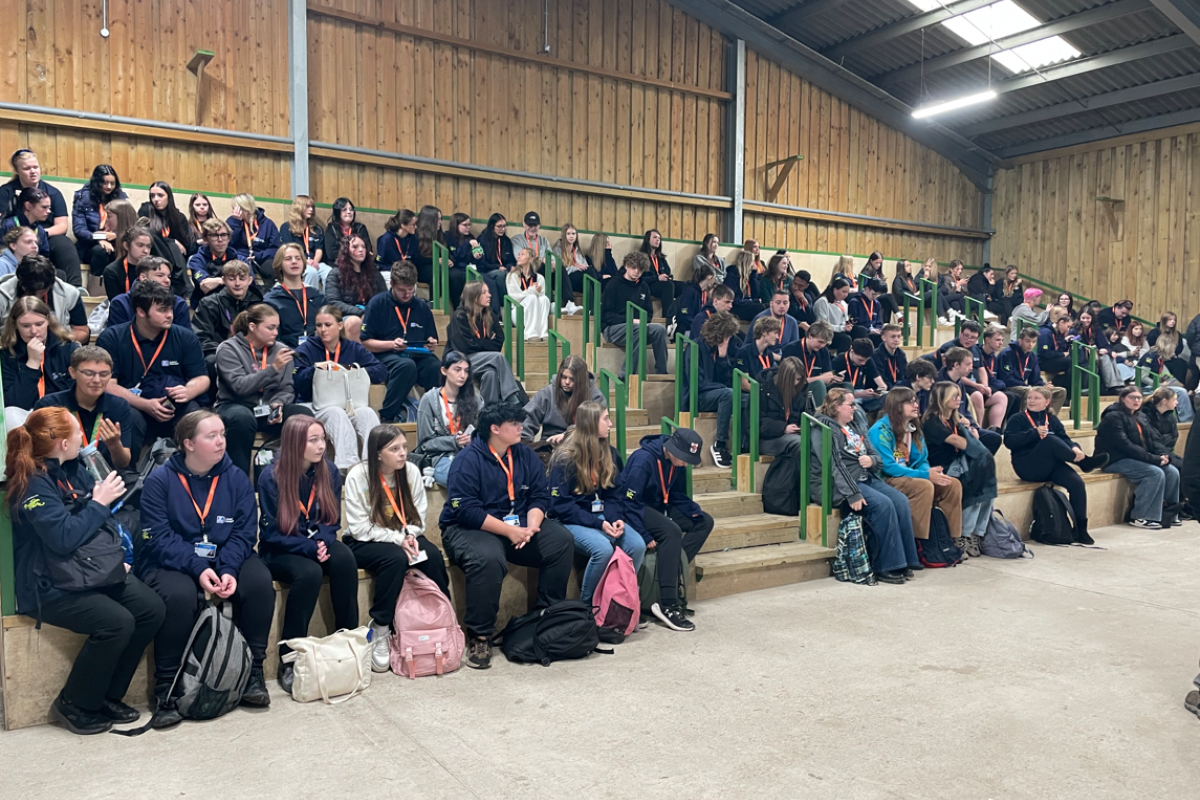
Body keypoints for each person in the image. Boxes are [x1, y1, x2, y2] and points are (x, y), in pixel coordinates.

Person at [5, 408, 162, 735]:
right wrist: (98, 503)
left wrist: (116, 555)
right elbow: (63, 538)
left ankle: (107, 695)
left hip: (87, 570)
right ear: (63, 443)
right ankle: (73, 702)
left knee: (150, 609)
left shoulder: (74, 469)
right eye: (77, 432)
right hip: (47, 585)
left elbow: (98, 524)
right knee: (117, 622)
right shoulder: (33, 484)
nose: (83, 437)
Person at [136, 410, 274, 724]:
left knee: (258, 582)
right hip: (171, 558)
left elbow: (244, 533)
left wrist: (228, 568)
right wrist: (198, 567)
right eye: (211, 436)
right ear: (188, 443)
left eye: (222, 434)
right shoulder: (160, 480)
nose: (221, 441)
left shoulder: (236, 478)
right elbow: (158, 538)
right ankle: (167, 688)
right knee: (179, 594)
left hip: (225, 555)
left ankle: (253, 673)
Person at [439, 403, 575, 668]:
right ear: (495, 429)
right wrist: (510, 530)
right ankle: (480, 635)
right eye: (514, 424)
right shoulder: (467, 460)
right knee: (488, 558)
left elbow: (540, 495)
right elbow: (466, 511)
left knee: (560, 541)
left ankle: (543, 618)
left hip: (518, 523)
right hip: (469, 527)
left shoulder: (524, 454)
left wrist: (532, 527)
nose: (520, 428)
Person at [257, 415, 357, 694]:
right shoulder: (271, 477)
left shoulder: (329, 470)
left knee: (345, 558)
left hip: (316, 541)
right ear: (294, 443)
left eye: (322, 439)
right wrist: (309, 547)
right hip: (281, 548)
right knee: (309, 573)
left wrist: (323, 540)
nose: (321, 446)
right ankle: (289, 657)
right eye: (313, 440)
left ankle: (347, 641)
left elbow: (332, 520)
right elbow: (271, 533)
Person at [344, 424, 451, 672]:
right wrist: (396, 539)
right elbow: (359, 527)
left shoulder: (410, 471)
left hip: (405, 533)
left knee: (432, 556)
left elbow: (419, 518)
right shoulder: (358, 475)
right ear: (378, 453)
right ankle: (381, 627)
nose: (403, 453)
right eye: (394, 449)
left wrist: (410, 535)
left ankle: (442, 621)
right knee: (395, 559)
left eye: (404, 447)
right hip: (365, 540)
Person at [813, 388, 918, 583]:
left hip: (864, 477)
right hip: (839, 484)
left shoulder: (855, 426)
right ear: (836, 406)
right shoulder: (822, 429)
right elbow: (834, 465)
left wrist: (871, 460)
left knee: (900, 500)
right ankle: (884, 565)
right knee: (883, 505)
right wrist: (852, 493)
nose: (855, 408)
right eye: (851, 405)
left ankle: (905, 560)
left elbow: (876, 456)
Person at [548, 402, 647, 605]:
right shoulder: (564, 458)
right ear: (591, 423)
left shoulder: (609, 453)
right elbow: (561, 506)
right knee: (603, 550)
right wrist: (599, 524)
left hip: (600, 515)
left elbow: (614, 494)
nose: (610, 424)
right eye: (605, 419)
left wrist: (616, 518)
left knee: (637, 545)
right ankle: (588, 607)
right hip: (569, 519)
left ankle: (617, 603)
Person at [96, 281, 209, 456]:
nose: (170, 315)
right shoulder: (112, 338)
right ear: (141, 312)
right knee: (126, 414)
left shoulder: (185, 337)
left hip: (173, 405)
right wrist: (145, 404)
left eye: (170, 309)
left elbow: (202, 378)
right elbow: (107, 385)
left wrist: (188, 391)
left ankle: (194, 468)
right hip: (133, 405)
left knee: (194, 415)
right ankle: (125, 469)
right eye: (163, 310)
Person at [620, 427, 714, 630]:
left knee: (705, 521)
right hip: (636, 507)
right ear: (672, 449)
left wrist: (693, 511)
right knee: (671, 531)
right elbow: (628, 502)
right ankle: (668, 604)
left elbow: (675, 495)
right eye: (684, 458)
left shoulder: (676, 463)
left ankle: (672, 569)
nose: (686, 463)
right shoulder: (643, 460)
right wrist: (643, 534)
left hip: (660, 503)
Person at [1004, 386, 1106, 544]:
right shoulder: (1018, 418)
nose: (1031, 401)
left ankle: (1081, 530)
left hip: (1051, 464)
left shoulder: (1051, 419)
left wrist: (1075, 448)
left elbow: (1064, 438)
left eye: (1036, 398)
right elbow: (1009, 441)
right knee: (1049, 440)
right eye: (1030, 398)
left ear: (1047, 402)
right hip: (1027, 465)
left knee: (1077, 483)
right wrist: (1033, 433)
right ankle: (1084, 462)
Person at [214, 304, 307, 476]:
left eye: (277, 328)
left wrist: (279, 403)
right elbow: (239, 386)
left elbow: (287, 388)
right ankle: (239, 480)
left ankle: (296, 476)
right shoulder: (229, 349)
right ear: (252, 327)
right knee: (242, 419)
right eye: (270, 328)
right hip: (235, 405)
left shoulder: (281, 350)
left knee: (303, 416)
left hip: (268, 409)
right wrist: (273, 369)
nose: (275, 333)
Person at [292, 306, 387, 468]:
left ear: (340, 325)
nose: (323, 330)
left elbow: (381, 370)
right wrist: (315, 369)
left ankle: (372, 465)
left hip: (349, 404)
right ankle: (347, 467)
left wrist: (350, 369)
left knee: (368, 413)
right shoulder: (307, 348)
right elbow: (296, 379)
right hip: (315, 405)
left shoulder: (353, 347)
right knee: (336, 413)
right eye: (319, 325)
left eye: (328, 325)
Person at [868, 387, 964, 545]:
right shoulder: (880, 430)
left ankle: (949, 541)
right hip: (886, 479)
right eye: (910, 402)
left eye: (916, 401)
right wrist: (925, 475)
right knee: (923, 487)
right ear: (897, 406)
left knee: (952, 484)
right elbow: (888, 466)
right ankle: (917, 543)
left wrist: (928, 471)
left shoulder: (913, 429)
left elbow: (920, 460)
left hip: (910, 475)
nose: (916, 405)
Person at [361, 260, 442, 423]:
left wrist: (431, 344)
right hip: (385, 354)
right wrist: (391, 344)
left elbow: (431, 339)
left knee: (436, 367)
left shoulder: (422, 307)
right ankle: (387, 416)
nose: (407, 294)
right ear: (391, 284)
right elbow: (365, 342)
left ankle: (434, 415)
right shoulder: (377, 304)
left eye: (411, 290)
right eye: (402, 290)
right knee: (406, 366)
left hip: (417, 354)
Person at [922, 381, 996, 557]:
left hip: (959, 463)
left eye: (959, 395)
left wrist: (968, 429)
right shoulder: (932, 421)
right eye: (953, 396)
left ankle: (976, 533)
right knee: (975, 484)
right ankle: (964, 534)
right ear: (941, 398)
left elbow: (971, 441)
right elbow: (959, 442)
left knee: (988, 486)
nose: (958, 399)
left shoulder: (955, 419)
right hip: (942, 467)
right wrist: (971, 436)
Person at [33, 346, 133, 472]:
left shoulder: (119, 406)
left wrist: (115, 446)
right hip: (61, 476)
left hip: (105, 478)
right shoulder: (49, 405)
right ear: (72, 372)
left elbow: (123, 463)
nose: (97, 380)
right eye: (89, 373)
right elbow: (36, 454)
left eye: (104, 374)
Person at [1096, 386, 1181, 529]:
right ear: (1123, 399)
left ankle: (1168, 514)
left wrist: (1163, 455)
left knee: (1172, 471)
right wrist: (1153, 459)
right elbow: (1126, 446)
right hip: (1114, 459)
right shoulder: (1113, 417)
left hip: (1137, 457)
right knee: (1154, 472)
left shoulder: (1141, 416)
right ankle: (1141, 516)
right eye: (1132, 397)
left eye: (1139, 398)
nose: (1136, 401)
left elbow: (1154, 439)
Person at [0, 149, 81, 285]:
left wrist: (38, 234)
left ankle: (76, 286)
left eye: (35, 167)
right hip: (13, 234)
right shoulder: (5, 191)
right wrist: (23, 235)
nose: (33, 171)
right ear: (17, 171)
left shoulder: (53, 193)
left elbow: (62, 226)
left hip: (45, 233)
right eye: (27, 168)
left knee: (64, 243)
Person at [1, 295, 79, 429]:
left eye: (39, 324)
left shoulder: (68, 348)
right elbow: (14, 403)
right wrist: (32, 363)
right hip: (26, 416)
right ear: (15, 325)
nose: (34, 331)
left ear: (48, 321)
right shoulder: (7, 354)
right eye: (26, 326)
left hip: (61, 414)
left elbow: (75, 394)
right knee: (10, 415)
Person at [446, 279, 526, 405]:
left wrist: (477, 342)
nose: (489, 295)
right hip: (461, 361)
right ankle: (512, 398)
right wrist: (487, 342)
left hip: (482, 361)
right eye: (484, 292)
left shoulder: (490, 315)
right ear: (474, 296)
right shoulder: (460, 316)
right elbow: (464, 347)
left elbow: (499, 340)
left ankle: (488, 410)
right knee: (498, 358)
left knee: (491, 374)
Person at [413, 350, 483, 486]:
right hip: (440, 456)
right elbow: (425, 444)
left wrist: (472, 439)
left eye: (466, 371)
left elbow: (483, 433)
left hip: (471, 452)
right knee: (462, 477)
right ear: (444, 371)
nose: (462, 375)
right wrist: (454, 441)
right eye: (457, 370)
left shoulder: (476, 399)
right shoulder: (429, 399)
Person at [683, 311, 740, 468]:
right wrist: (722, 387)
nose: (729, 340)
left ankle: (744, 443)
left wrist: (722, 357)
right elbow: (697, 383)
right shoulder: (694, 348)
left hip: (715, 394)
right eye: (727, 336)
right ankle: (720, 444)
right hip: (697, 396)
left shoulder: (717, 350)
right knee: (728, 394)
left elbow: (724, 379)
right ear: (719, 333)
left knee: (747, 399)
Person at [602, 251, 668, 378]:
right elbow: (606, 315)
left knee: (659, 329)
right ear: (626, 266)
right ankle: (626, 374)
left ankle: (662, 372)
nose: (636, 271)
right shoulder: (613, 284)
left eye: (640, 269)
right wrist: (630, 320)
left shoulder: (644, 286)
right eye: (633, 268)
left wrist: (642, 321)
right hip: (613, 329)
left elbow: (648, 313)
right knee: (638, 329)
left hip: (638, 327)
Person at [0, 254, 89, 344]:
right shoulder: (2, 295)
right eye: (31, 292)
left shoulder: (70, 293)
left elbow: (82, 331)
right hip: (11, 348)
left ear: (51, 284)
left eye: (42, 292)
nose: (36, 297)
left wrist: (57, 342)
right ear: (20, 282)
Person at [193, 260, 260, 372]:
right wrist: (227, 352)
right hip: (221, 353)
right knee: (211, 361)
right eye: (232, 279)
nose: (237, 283)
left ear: (250, 280)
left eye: (242, 279)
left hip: (254, 352)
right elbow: (201, 338)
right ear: (223, 280)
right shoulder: (209, 304)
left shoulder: (259, 304)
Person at [523, 354, 605, 444]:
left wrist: (567, 435)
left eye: (572, 379)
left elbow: (594, 424)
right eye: (564, 377)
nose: (567, 382)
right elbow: (527, 420)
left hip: (582, 443)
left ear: (581, 380)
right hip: (551, 443)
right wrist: (524, 443)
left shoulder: (595, 396)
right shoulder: (547, 393)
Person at [937, 347, 1001, 455]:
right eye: (968, 364)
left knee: (994, 438)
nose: (971, 368)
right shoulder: (938, 384)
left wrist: (973, 427)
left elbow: (965, 410)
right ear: (956, 365)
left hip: (964, 426)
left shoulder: (959, 383)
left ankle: (977, 465)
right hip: (948, 428)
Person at [323, 233, 385, 342]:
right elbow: (333, 302)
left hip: (370, 314)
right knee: (354, 322)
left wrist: (371, 313)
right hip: (346, 317)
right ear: (346, 250)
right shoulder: (335, 273)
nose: (361, 250)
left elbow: (383, 297)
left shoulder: (374, 272)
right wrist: (360, 312)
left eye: (363, 247)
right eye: (355, 247)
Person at [106, 256, 193, 331]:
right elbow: (115, 338)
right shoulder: (120, 303)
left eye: (169, 276)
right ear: (143, 277)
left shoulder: (179, 304)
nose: (167, 280)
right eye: (160, 275)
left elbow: (185, 338)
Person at [264, 242, 325, 348]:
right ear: (279, 265)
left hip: (317, 351)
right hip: (286, 352)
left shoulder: (317, 296)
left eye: (298, 258)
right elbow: (272, 339)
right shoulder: (271, 300)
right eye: (288, 259)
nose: (294, 262)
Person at [998, 325, 1068, 415]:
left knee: (1060, 391)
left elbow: (1035, 379)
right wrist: (1029, 387)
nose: (1030, 344)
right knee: (1029, 391)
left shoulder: (1032, 356)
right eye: (1027, 341)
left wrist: (1044, 386)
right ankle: (1025, 420)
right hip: (1010, 387)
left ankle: (1046, 419)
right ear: (1020, 341)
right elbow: (1007, 379)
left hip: (1025, 387)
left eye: (1033, 342)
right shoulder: (1007, 354)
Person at [72, 165, 126, 278]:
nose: (109, 186)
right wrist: (100, 238)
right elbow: (79, 230)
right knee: (100, 251)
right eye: (105, 183)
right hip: (89, 245)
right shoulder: (83, 198)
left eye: (112, 183)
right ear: (97, 182)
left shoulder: (120, 198)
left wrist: (116, 235)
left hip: (116, 242)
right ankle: (96, 286)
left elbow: (128, 225)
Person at [758, 356, 810, 462]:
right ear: (785, 377)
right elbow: (757, 423)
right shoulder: (762, 390)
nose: (796, 383)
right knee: (801, 444)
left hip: (792, 435)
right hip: (767, 439)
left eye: (799, 379)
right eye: (793, 379)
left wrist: (801, 426)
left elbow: (805, 414)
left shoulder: (800, 392)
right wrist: (783, 428)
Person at [781, 320, 840, 406]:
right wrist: (820, 378)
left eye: (825, 343)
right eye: (820, 342)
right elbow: (790, 380)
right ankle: (822, 414)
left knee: (846, 386)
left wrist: (822, 378)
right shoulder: (791, 349)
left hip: (813, 386)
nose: (822, 345)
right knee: (819, 384)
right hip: (796, 388)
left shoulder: (823, 351)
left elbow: (828, 376)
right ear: (810, 335)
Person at [228, 195, 282, 283]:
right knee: (242, 268)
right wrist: (236, 223)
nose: (233, 212)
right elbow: (228, 243)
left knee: (273, 268)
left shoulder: (267, 224)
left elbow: (275, 248)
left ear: (244, 208)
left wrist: (258, 255)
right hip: (240, 257)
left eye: (235, 208)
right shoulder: (232, 221)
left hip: (261, 257)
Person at [279, 195, 327, 290]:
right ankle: (309, 298)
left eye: (312, 207)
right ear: (299, 208)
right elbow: (288, 250)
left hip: (314, 262)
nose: (311, 210)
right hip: (297, 262)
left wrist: (315, 262)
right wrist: (305, 261)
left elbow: (319, 249)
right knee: (311, 272)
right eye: (307, 207)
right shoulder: (286, 227)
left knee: (330, 272)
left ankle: (328, 299)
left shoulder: (317, 229)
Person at [137, 181, 194, 260]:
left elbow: (186, 244)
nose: (156, 199)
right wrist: (172, 242)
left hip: (174, 258)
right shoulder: (146, 211)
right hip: (152, 258)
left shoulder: (179, 217)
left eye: (160, 195)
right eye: (152, 196)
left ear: (169, 197)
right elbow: (146, 235)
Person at [187, 218, 237, 307]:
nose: (220, 239)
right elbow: (205, 283)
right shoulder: (196, 260)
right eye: (214, 235)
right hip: (205, 305)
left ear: (229, 238)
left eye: (223, 235)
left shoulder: (240, 259)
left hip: (233, 304)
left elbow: (248, 282)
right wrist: (232, 281)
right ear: (205, 239)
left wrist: (220, 281)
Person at [506, 247, 552, 339]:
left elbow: (541, 300)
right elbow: (514, 298)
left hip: (535, 314)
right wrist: (532, 291)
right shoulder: (512, 276)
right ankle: (530, 333)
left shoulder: (540, 278)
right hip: (517, 312)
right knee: (532, 297)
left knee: (544, 299)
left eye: (522, 254)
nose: (519, 257)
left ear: (530, 259)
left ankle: (543, 333)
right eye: (519, 254)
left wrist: (537, 292)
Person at [837, 337, 888, 419]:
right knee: (853, 406)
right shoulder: (839, 360)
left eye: (866, 360)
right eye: (860, 360)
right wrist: (861, 394)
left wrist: (878, 392)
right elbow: (836, 393)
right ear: (852, 351)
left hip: (864, 395)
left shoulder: (868, 360)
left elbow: (882, 385)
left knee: (889, 397)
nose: (863, 363)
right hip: (846, 396)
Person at [102, 225, 154, 300]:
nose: (145, 251)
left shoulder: (156, 268)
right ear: (126, 245)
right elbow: (116, 302)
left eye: (148, 246)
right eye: (140, 245)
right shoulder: (112, 271)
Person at [476, 213, 514, 315]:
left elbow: (511, 260)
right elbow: (482, 263)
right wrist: (497, 267)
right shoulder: (482, 239)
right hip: (487, 271)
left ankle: (515, 303)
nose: (503, 229)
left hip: (504, 270)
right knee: (500, 275)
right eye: (499, 226)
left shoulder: (506, 241)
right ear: (492, 226)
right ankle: (505, 303)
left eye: (504, 226)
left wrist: (512, 267)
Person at [443, 212, 482, 308]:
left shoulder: (471, 238)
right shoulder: (448, 236)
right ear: (456, 225)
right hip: (454, 266)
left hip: (468, 268)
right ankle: (458, 307)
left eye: (469, 225)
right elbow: (457, 256)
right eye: (465, 225)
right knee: (456, 276)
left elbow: (477, 259)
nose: (468, 227)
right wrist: (467, 243)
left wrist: (477, 256)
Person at [0, 187, 52, 258]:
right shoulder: (8, 225)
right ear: (29, 206)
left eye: (49, 208)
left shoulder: (40, 230)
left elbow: (44, 255)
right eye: (44, 207)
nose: (49, 211)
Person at [637, 229, 675, 321]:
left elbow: (668, 271)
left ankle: (681, 317)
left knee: (684, 286)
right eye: (655, 237)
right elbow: (640, 278)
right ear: (648, 239)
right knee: (668, 286)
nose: (658, 240)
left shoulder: (660, 258)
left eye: (659, 238)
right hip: (650, 285)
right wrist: (657, 278)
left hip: (663, 283)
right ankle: (667, 317)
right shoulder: (642, 257)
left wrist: (669, 277)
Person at [323, 197, 371, 267]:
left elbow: (368, 249)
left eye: (351, 209)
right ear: (337, 212)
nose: (349, 212)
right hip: (337, 265)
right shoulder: (332, 228)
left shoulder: (360, 228)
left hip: (359, 264)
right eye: (344, 209)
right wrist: (352, 255)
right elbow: (331, 253)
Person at [1147, 311, 1192, 384]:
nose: (1173, 321)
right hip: (1158, 358)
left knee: (1181, 363)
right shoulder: (1155, 332)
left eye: (1174, 320)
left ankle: (1180, 384)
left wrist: (1172, 353)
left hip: (1171, 357)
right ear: (1164, 320)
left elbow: (1180, 348)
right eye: (1170, 319)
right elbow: (1151, 346)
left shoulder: (1177, 334)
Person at [735, 315, 781, 384]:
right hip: (749, 390)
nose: (777, 337)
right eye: (775, 333)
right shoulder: (743, 353)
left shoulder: (769, 355)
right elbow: (744, 384)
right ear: (764, 332)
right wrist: (761, 390)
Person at [675, 262, 716, 338]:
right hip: (687, 330)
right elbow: (685, 316)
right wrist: (699, 326)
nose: (714, 283)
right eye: (714, 279)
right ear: (709, 278)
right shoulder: (690, 291)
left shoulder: (706, 294)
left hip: (701, 329)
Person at [553, 222, 590, 300]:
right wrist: (575, 268)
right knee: (589, 275)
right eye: (568, 234)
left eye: (573, 234)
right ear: (564, 235)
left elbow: (585, 265)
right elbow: (558, 270)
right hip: (566, 278)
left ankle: (592, 305)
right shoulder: (558, 249)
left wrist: (583, 267)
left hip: (578, 279)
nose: (571, 236)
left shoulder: (577, 250)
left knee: (589, 275)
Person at [412, 205, 445, 289]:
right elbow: (416, 259)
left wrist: (448, 260)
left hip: (437, 266)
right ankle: (433, 298)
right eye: (438, 219)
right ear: (429, 221)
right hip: (420, 269)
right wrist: (435, 260)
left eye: (441, 219)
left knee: (455, 274)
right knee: (439, 273)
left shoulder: (439, 234)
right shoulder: (415, 235)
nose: (440, 222)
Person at [376, 208, 418, 274]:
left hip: (407, 273)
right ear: (403, 225)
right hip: (390, 272)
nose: (416, 227)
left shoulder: (414, 239)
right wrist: (396, 269)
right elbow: (379, 264)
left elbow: (415, 260)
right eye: (413, 224)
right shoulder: (386, 240)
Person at [725, 250, 764, 320]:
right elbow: (735, 301)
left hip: (747, 304)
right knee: (760, 308)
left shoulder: (749, 276)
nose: (754, 264)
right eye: (752, 261)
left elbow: (756, 294)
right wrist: (752, 301)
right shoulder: (732, 277)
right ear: (747, 263)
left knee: (769, 306)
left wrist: (754, 274)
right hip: (736, 308)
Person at [1037, 306, 1073, 381]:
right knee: (1071, 362)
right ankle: (1063, 384)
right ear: (1061, 322)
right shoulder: (1045, 333)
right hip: (1043, 362)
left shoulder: (1057, 331)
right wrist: (1062, 354)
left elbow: (1058, 347)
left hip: (1052, 358)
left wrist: (1065, 342)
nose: (1068, 329)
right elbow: (1045, 353)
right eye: (1068, 326)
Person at [847, 278, 886, 345]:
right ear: (867, 289)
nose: (874, 297)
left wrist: (878, 329)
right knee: (861, 330)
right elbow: (854, 323)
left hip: (873, 331)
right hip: (861, 331)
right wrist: (869, 330)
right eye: (873, 294)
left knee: (885, 337)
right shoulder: (855, 302)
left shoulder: (876, 304)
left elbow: (879, 322)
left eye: (876, 295)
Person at [872, 323, 908, 390]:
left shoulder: (901, 354)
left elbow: (905, 375)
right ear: (884, 338)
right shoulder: (875, 355)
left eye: (898, 336)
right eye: (893, 337)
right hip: (881, 391)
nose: (896, 340)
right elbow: (881, 379)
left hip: (898, 390)